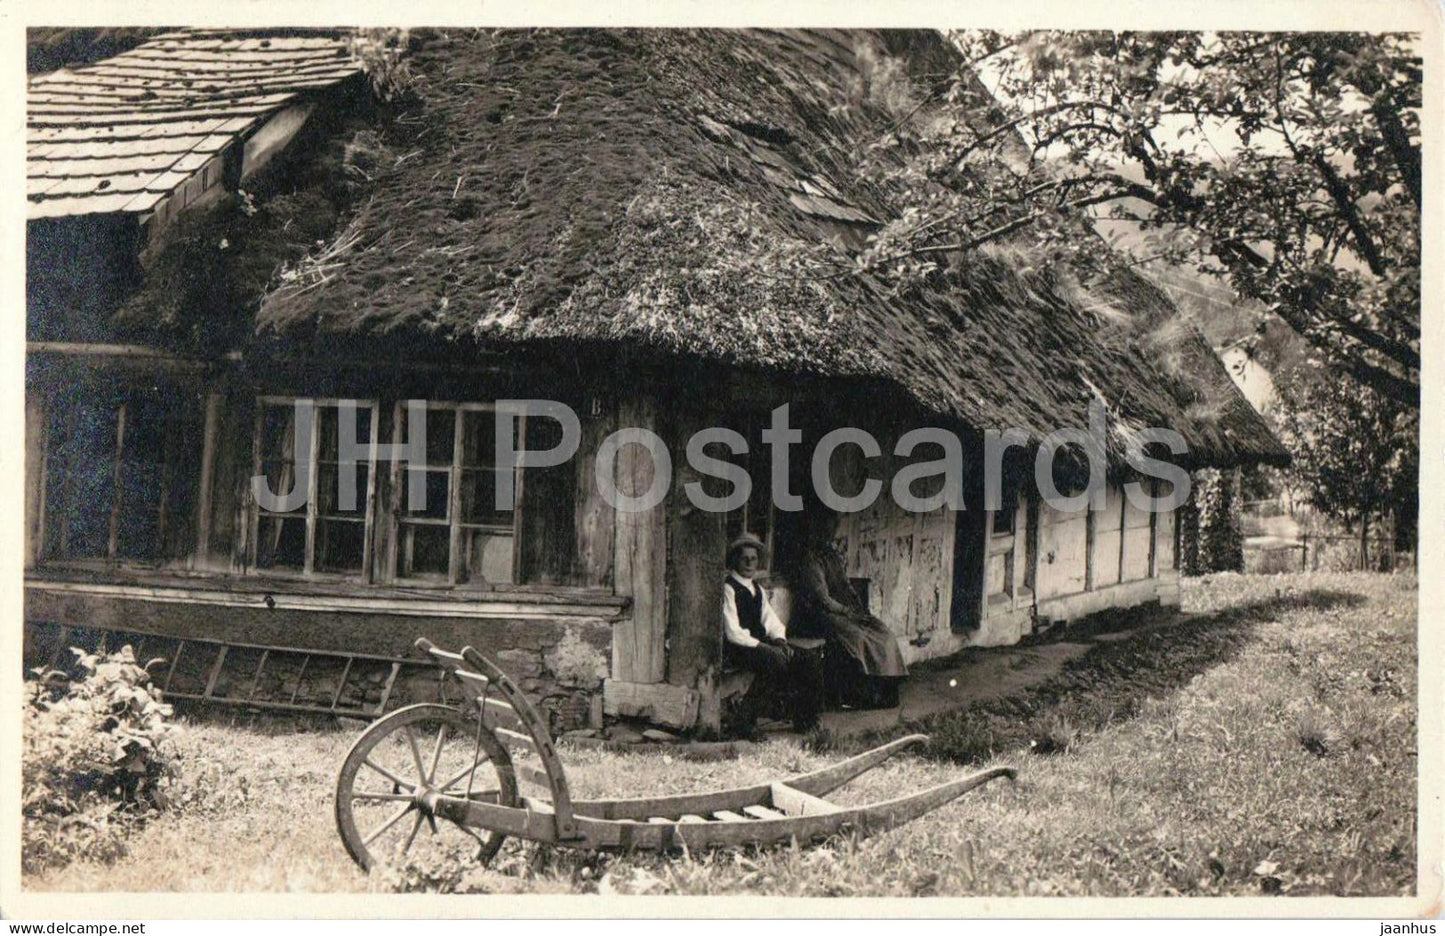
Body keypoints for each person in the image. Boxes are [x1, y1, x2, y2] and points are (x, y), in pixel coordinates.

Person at [792, 510, 908, 709]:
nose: (831, 532)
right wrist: (847, 612)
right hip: (819, 615)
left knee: (882, 631)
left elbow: (844, 584)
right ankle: (860, 694)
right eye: (827, 527)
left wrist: (857, 607)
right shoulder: (810, 559)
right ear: (818, 528)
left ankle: (886, 687)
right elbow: (823, 598)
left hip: (842, 610)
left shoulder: (831, 555)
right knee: (857, 637)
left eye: (834, 527)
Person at [721, 533, 823, 734]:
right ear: (735, 561)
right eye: (745, 558)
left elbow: (771, 621)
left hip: (761, 646)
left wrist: (780, 641)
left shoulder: (757, 589)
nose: (750, 563)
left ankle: (805, 721)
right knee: (773, 662)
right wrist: (765, 648)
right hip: (738, 648)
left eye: (754, 558)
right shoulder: (728, 588)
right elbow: (733, 631)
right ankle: (745, 723)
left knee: (807, 659)